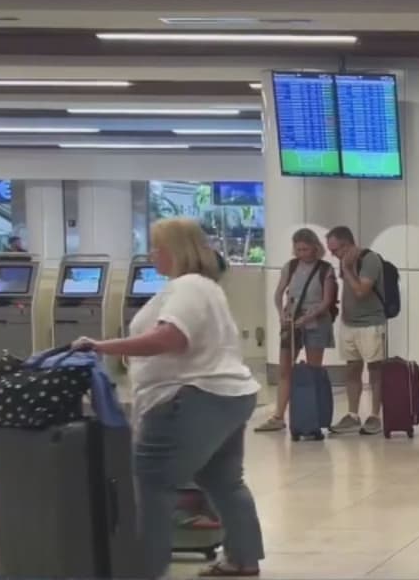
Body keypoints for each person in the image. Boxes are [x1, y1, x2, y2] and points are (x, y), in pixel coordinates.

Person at [72, 218, 264, 578]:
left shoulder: (188, 287)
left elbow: (170, 338)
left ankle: (144, 569)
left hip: (190, 398)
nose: (150, 253)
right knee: (223, 480)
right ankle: (242, 557)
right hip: (226, 395)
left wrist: (102, 347)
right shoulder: (205, 287)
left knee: (153, 484)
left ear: (175, 250)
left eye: (156, 246)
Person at [256, 228, 337, 434]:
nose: (302, 253)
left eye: (306, 249)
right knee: (285, 368)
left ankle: (310, 414)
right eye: (298, 249)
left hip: (316, 322)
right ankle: (278, 416)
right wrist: (281, 315)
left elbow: (327, 301)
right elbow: (279, 293)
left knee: (312, 370)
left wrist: (307, 318)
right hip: (291, 320)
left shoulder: (325, 269)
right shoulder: (290, 267)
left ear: (315, 248)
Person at [326, 226, 387, 436]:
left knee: (375, 369)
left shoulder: (370, 260)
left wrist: (348, 269)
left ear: (346, 244)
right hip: (349, 324)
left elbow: (361, 291)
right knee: (352, 368)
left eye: (335, 250)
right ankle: (352, 415)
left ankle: (375, 415)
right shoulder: (345, 263)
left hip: (371, 323)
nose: (333, 255)